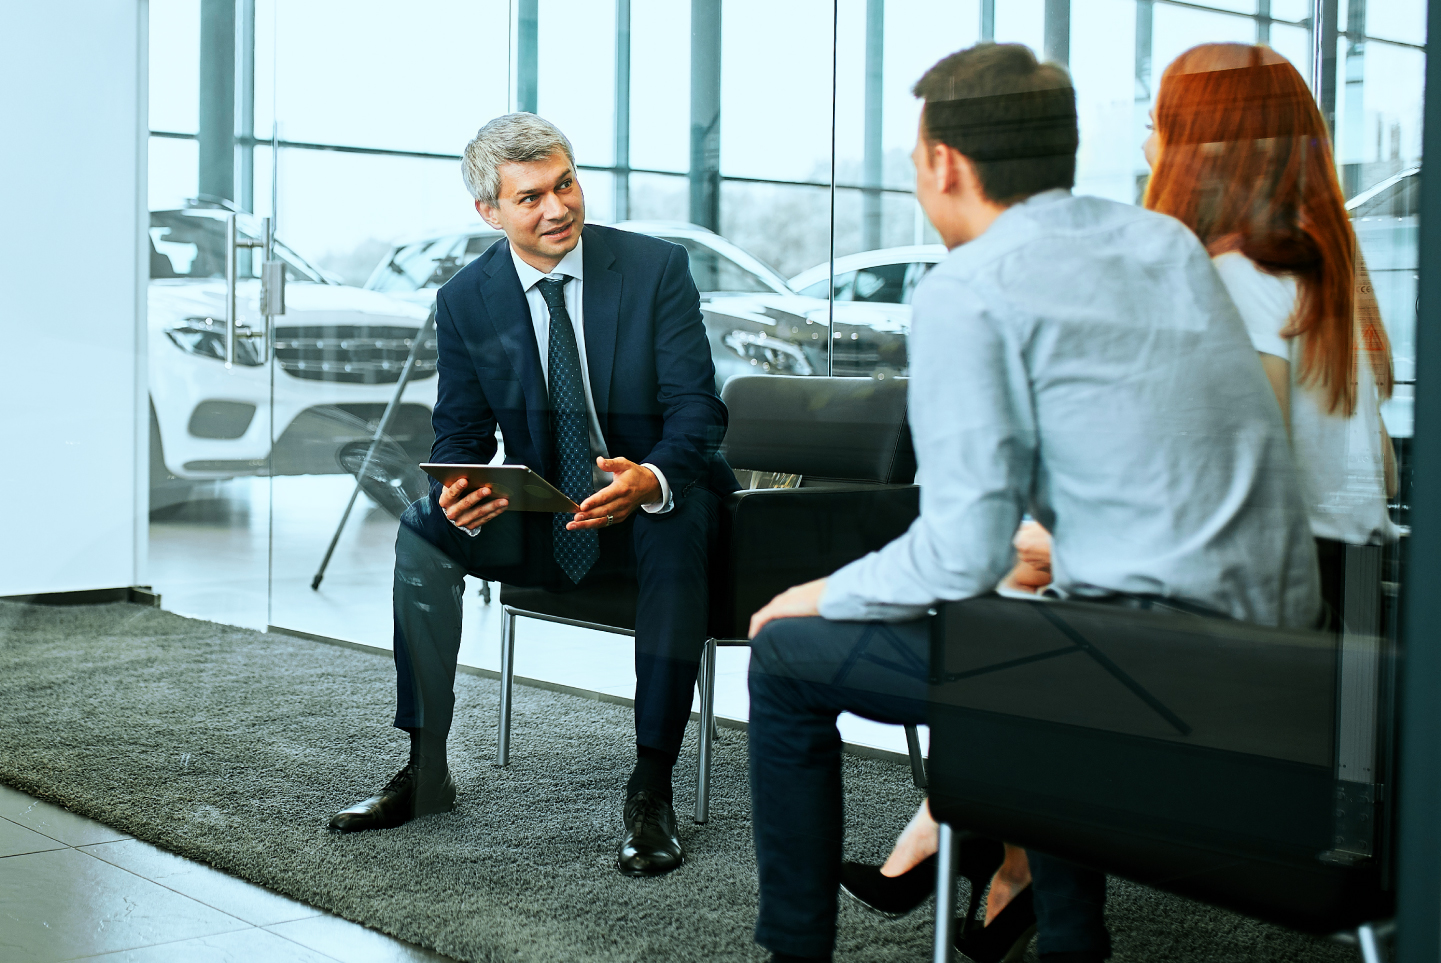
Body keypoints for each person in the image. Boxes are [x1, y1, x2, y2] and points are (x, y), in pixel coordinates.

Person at [743, 42, 1320, 963]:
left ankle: (794, 952)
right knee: (1037, 633)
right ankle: (1066, 938)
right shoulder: (1161, 243)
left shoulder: (968, 288)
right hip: (1278, 659)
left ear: (943, 163)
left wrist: (812, 593)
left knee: (784, 654)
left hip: (1141, 675)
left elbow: (959, 551)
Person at [328, 113, 739, 880]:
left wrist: (648, 476)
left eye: (566, 183)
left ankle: (650, 791)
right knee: (424, 530)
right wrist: (461, 489)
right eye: (531, 198)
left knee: (675, 526)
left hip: (651, 493)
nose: (558, 208)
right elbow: (457, 432)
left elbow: (698, 410)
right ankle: (426, 769)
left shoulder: (654, 268)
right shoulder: (466, 299)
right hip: (551, 509)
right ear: (489, 211)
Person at [1141, 42, 1399, 622]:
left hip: (1276, 593)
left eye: (1158, 126)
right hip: (1344, 578)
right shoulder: (1316, 279)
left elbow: (1243, 485)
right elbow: (1380, 470)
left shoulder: (1238, 277)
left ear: (1198, 150)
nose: (1147, 146)